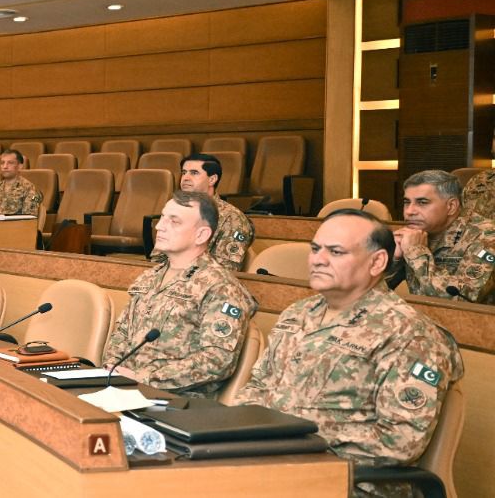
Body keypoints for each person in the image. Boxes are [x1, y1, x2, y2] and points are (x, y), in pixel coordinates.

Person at [238, 209, 463, 498]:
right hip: (273, 464)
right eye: (315, 249)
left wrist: (295, 439)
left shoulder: (410, 334)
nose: (318, 260)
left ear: (377, 262)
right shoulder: (298, 313)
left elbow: (399, 442)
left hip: (350, 482)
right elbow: (257, 386)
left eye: (336, 252)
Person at [104, 191, 257, 397]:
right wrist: (112, 368)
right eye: (162, 217)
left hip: (176, 400)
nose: (159, 226)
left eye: (174, 221)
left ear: (201, 235)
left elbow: (216, 360)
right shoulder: (150, 277)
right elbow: (122, 333)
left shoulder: (221, 287)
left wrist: (144, 378)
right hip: (125, 389)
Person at [395, 170, 495, 303]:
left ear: (451, 206)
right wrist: (393, 261)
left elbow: (463, 299)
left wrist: (416, 252)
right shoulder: (414, 233)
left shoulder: (487, 236)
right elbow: (371, 293)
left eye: (422, 202)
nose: (409, 211)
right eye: (407, 202)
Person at [148, 154, 254, 271]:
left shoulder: (233, 218)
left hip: (202, 280)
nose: (185, 178)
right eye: (184, 172)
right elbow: (158, 258)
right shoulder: (176, 210)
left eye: (194, 173)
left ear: (212, 179)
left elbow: (225, 269)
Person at [0, 150, 42, 216]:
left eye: (10, 163)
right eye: (2, 163)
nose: (5, 166)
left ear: (20, 166)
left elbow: (29, 216)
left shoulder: (30, 188)